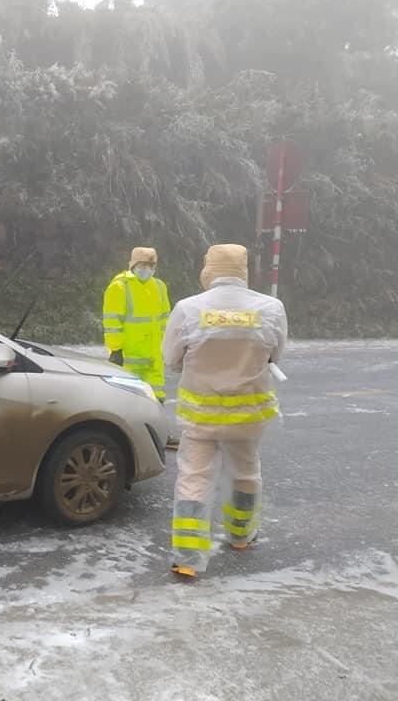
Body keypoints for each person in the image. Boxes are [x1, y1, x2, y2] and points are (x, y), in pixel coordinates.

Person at [162, 244, 288, 578]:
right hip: (248, 416)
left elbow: (171, 359)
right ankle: (241, 536)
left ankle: (188, 558)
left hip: (201, 417)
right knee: (246, 474)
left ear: (208, 269)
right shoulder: (271, 308)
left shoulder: (188, 309)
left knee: (194, 480)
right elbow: (276, 356)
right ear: (244, 270)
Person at [103, 247, 171, 401]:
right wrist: (115, 350)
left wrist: (166, 344)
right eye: (142, 265)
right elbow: (112, 322)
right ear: (133, 265)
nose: (147, 269)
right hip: (129, 358)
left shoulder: (159, 287)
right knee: (128, 402)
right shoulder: (120, 286)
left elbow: (165, 319)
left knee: (156, 399)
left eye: (151, 266)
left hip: (154, 358)